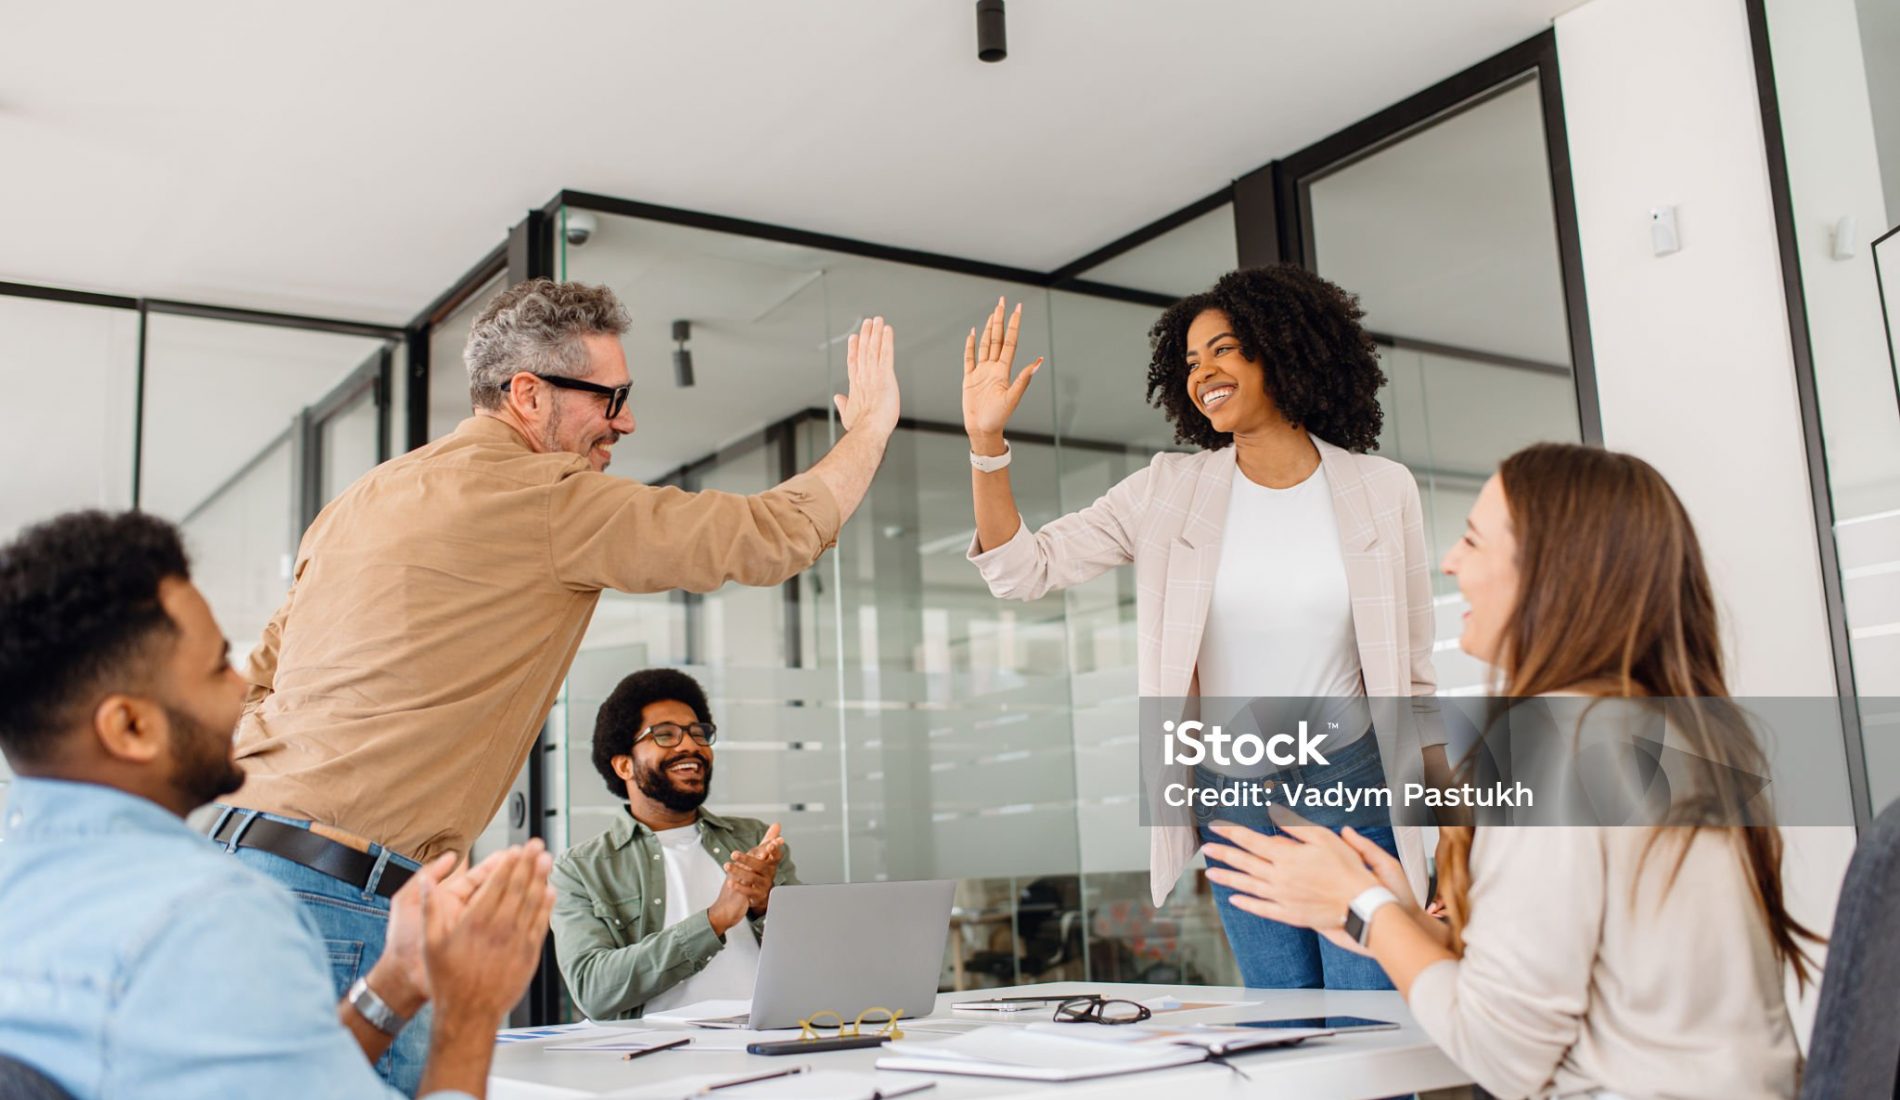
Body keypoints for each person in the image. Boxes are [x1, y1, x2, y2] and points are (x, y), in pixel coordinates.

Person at [209, 281, 898, 1089]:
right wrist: (872, 429)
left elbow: (256, 679)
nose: (627, 421)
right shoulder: (545, 498)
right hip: (347, 906)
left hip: (238, 865)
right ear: (528, 395)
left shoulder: (363, 498)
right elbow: (767, 537)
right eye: (611, 397)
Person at [1202, 443, 1817, 1099]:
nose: (1449, 562)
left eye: (1472, 540)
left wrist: (1361, 907)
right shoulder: (1680, 735)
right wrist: (1410, 920)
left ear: (1552, 573)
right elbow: (1597, 970)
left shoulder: (1557, 745)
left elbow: (1501, 1052)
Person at [960, 267, 1445, 990]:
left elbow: (1412, 676)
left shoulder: (1382, 490)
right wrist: (985, 443)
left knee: (1371, 1020)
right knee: (1283, 1024)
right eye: (1190, 361)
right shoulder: (1168, 491)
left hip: (1354, 781)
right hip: (1234, 790)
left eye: (1223, 349)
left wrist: (1456, 831)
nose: (1203, 372)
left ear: (1283, 350)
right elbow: (1023, 569)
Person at [0, 510, 554, 1100]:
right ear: (130, 726)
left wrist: (395, 982)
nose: (244, 686)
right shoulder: (210, 918)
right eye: (218, 668)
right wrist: (470, 1008)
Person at [550, 668, 794, 1020]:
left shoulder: (755, 840)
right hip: (656, 1059)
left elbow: (813, 958)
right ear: (623, 766)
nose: (690, 745)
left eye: (699, 733)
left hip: (768, 1042)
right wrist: (713, 922)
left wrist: (763, 909)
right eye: (664, 735)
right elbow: (593, 990)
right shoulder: (581, 869)